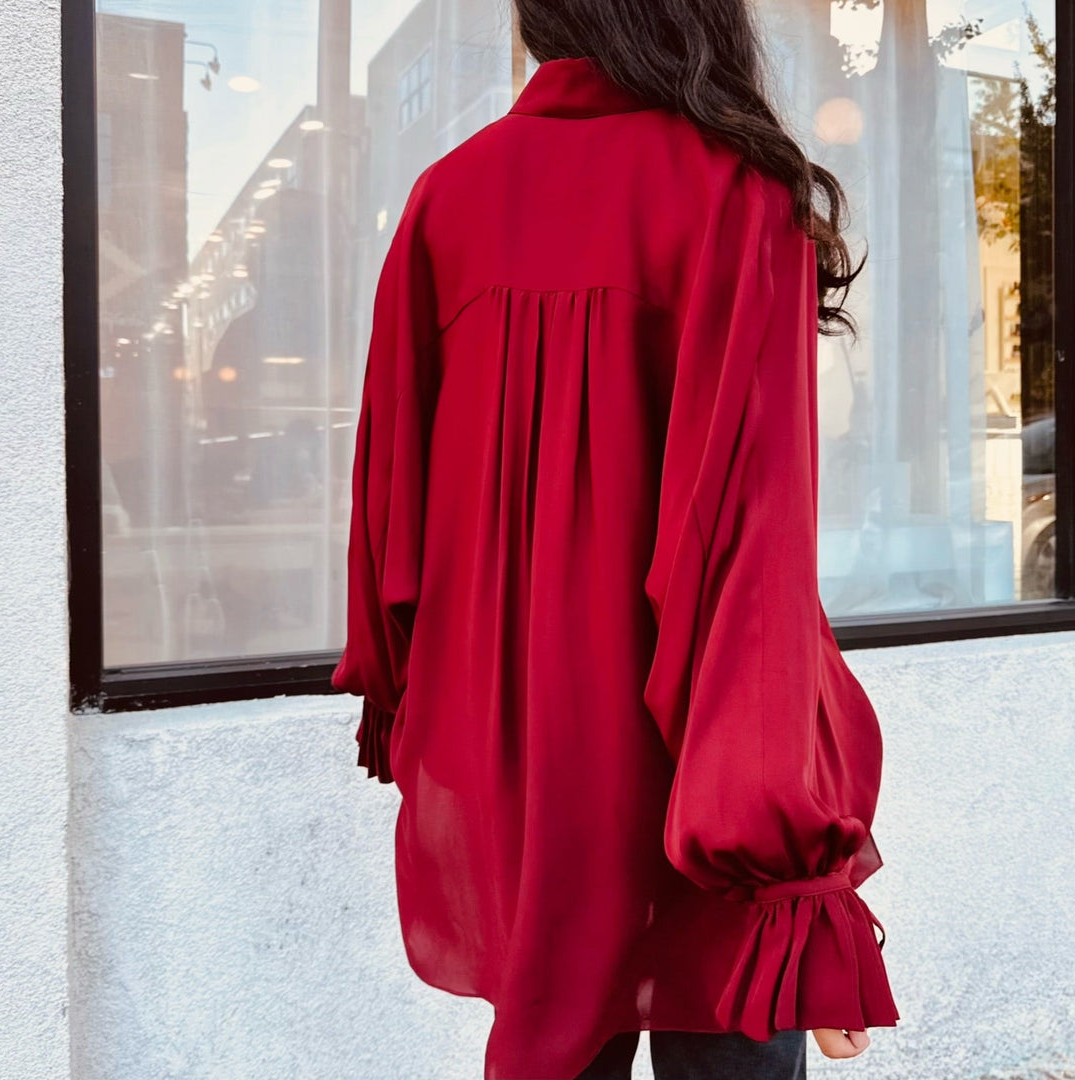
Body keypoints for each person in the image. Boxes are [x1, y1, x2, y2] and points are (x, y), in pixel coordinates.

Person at [331, 1, 900, 1077]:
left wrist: (424, 704)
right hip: (706, 758)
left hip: (526, 757)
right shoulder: (737, 192)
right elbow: (750, 554)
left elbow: (388, 512)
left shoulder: (446, 199)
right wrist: (796, 867)